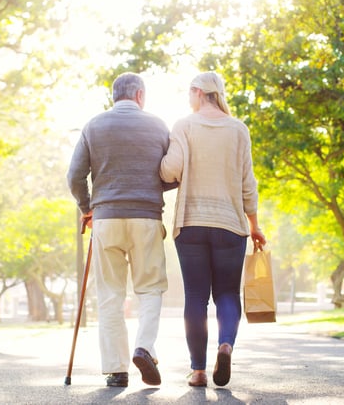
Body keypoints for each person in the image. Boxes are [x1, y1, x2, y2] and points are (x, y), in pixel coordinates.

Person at [67, 72, 174, 388]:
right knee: (150, 287)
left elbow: (74, 176)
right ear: (140, 95)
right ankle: (145, 347)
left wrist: (87, 208)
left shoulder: (94, 125)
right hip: (146, 218)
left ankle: (116, 370)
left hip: (107, 218)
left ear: (114, 96)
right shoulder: (158, 125)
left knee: (110, 294)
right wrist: (154, 185)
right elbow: (173, 172)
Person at [160, 71, 267, 388]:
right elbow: (249, 183)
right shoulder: (238, 130)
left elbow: (170, 169)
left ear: (196, 92)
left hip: (191, 224)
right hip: (230, 226)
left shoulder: (184, 125)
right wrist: (255, 225)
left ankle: (198, 371)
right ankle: (226, 345)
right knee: (227, 294)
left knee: (195, 296)